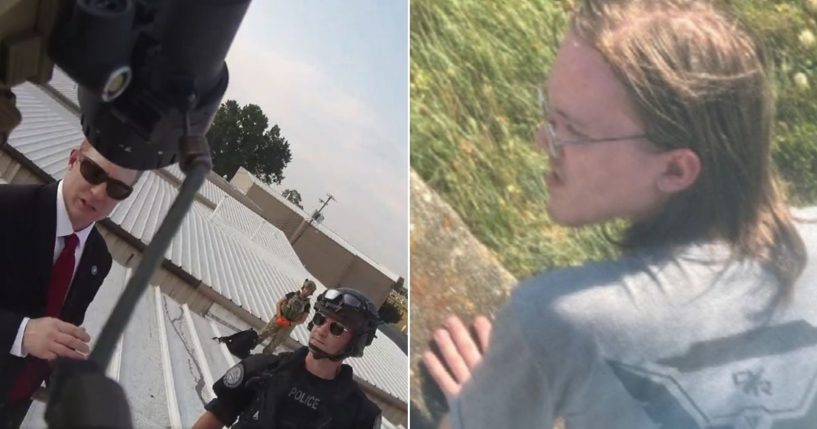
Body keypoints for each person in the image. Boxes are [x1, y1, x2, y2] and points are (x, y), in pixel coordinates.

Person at [422, 0, 816, 428]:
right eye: (548, 113)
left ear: (675, 169)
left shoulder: (558, 321)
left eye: (570, 130)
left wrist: (489, 402)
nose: (542, 140)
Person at [0, 139, 140, 428]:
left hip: (12, 409)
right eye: (93, 172)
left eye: (116, 189)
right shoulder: (7, 208)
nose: (99, 192)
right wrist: (20, 333)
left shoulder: (98, 258)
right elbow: (31, 334)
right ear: (73, 158)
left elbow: (56, 333)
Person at [192, 287, 383, 429]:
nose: (322, 330)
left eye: (337, 328)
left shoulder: (359, 414)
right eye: (320, 319)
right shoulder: (261, 370)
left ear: (356, 342)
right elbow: (217, 416)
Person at [256, 279, 316, 354]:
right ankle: (249, 345)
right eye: (306, 288)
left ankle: (264, 357)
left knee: (276, 342)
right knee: (264, 333)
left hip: (288, 325)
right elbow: (279, 303)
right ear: (303, 287)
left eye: (309, 291)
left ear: (311, 293)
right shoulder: (292, 295)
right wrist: (279, 316)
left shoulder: (307, 305)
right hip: (279, 318)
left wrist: (290, 323)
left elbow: (302, 320)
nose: (307, 291)